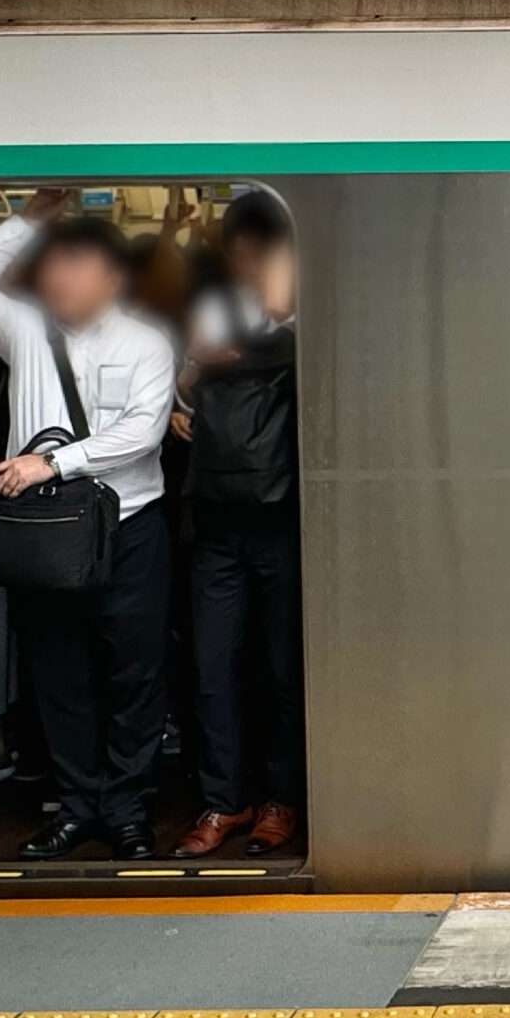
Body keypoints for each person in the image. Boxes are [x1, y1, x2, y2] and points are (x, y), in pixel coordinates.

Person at [0, 189, 179, 861]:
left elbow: (143, 431)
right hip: (46, 539)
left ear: (112, 278)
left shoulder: (146, 343)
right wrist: (28, 221)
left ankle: (130, 811)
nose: (59, 278)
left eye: (76, 265)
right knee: (58, 674)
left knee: (134, 675)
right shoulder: (25, 331)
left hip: (128, 530)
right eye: (53, 265)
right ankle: (77, 807)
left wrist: (53, 462)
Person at [171, 190, 307, 859]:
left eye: (262, 249)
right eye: (242, 250)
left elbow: (296, 344)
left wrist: (226, 355)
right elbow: (183, 378)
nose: (248, 262)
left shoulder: (306, 300)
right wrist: (188, 383)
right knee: (213, 665)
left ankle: (284, 797)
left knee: (285, 666)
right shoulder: (212, 305)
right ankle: (226, 799)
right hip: (218, 511)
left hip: (285, 511)